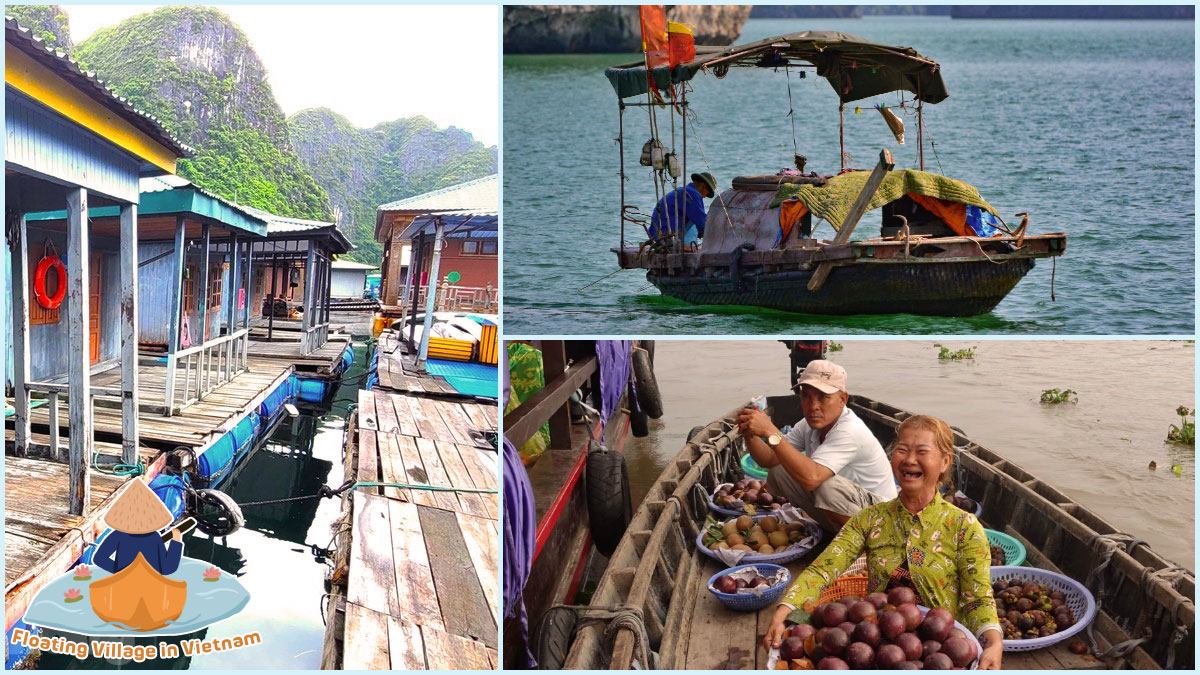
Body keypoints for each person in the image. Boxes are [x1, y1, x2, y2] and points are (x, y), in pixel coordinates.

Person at [763, 414, 1003, 669]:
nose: (909, 459)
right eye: (902, 450)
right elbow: (824, 568)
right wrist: (785, 610)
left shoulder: (964, 527)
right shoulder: (869, 519)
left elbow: (978, 598)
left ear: (944, 462)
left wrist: (994, 642)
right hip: (877, 649)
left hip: (943, 653)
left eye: (922, 451)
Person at [737, 360, 897, 536]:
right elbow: (769, 459)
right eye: (806, 396)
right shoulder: (808, 425)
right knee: (779, 469)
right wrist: (749, 434)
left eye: (823, 397)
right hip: (851, 510)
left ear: (843, 399)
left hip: (880, 519)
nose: (813, 406)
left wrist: (770, 430)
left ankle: (864, 542)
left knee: (823, 484)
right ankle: (835, 531)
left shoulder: (850, 430)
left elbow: (812, 479)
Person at [93, 477, 185, 575]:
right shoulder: (153, 537)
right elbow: (167, 568)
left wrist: (120, 571)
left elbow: (99, 559)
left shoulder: (118, 535)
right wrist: (176, 542)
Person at [649, 172, 717, 245]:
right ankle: (687, 246)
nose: (705, 196)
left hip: (656, 233)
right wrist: (714, 235)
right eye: (707, 193)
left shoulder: (684, 191)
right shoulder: (693, 194)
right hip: (668, 235)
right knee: (697, 221)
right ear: (704, 186)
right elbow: (701, 221)